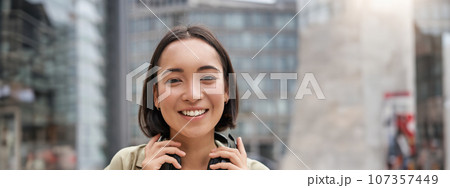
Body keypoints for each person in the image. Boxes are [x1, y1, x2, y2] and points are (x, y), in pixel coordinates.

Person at [105, 25, 269, 170]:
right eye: (174, 80)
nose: (193, 95)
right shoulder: (125, 165)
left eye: (207, 78)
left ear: (227, 90)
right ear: (155, 95)